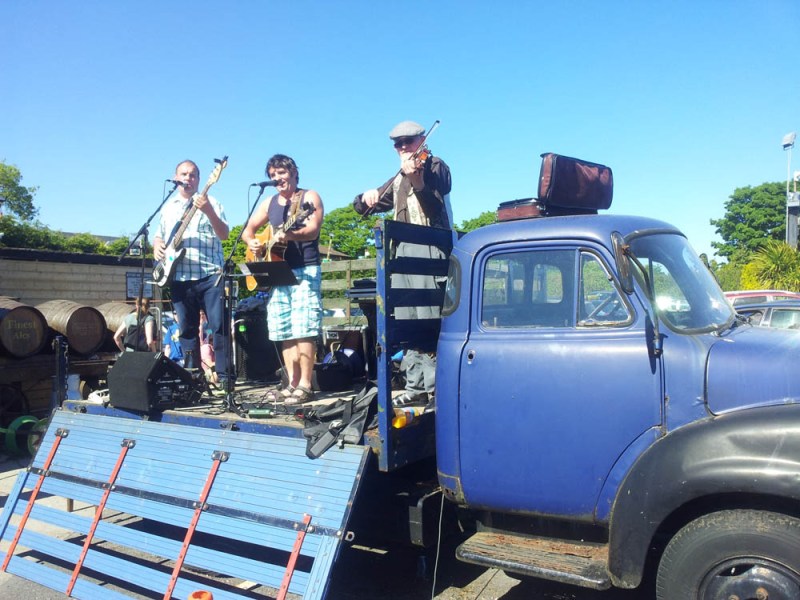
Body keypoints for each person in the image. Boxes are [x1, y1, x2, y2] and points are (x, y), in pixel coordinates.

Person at [353, 120, 453, 407]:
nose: (402, 148)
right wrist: (366, 196)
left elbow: (435, 206)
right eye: (397, 144)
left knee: (429, 315)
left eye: (408, 141)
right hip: (402, 252)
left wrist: (418, 181)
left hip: (429, 248)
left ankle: (437, 386)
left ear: (422, 139)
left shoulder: (435, 166)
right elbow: (360, 208)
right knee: (407, 318)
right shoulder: (397, 177)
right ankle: (415, 385)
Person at [242, 154, 324, 405]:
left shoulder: (309, 197)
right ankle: (291, 382)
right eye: (273, 175)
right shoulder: (269, 203)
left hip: (305, 269)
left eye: (281, 173)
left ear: (293, 173)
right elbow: (248, 230)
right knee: (285, 330)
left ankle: (306, 385)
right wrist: (253, 243)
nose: (277, 179)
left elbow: (313, 229)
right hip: (277, 271)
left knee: (304, 328)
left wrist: (288, 236)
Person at [153, 159, 230, 387]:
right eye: (184, 174)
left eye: (193, 175)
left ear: (200, 179)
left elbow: (224, 234)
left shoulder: (213, 203)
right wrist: (157, 245)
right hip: (179, 278)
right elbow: (160, 235)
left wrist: (207, 210)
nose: (188, 178)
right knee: (186, 331)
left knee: (219, 327)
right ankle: (192, 379)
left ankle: (226, 379)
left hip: (210, 276)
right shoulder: (168, 207)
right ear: (176, 177)